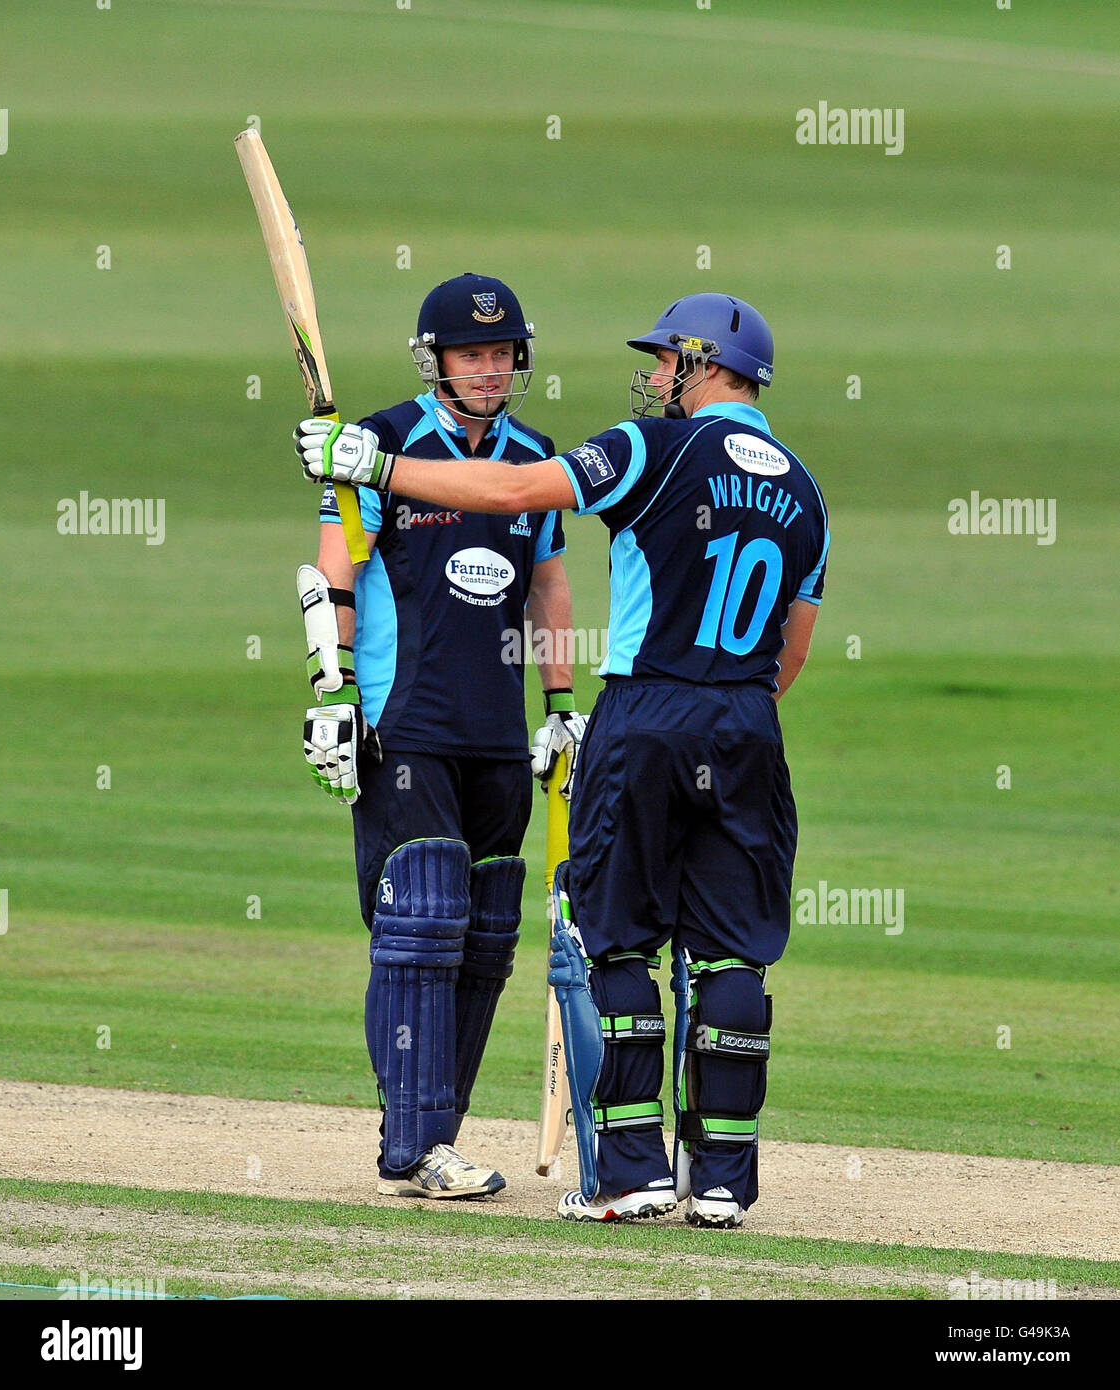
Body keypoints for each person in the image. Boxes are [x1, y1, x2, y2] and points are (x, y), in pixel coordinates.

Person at [294, 291, 827, 1228]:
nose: (656, 375)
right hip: (746, 722)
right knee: (731, 951)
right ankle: (721, 1183)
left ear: (704, 365)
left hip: (645, 709)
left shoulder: (644, 447)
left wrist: (374, 464)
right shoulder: (804, 488)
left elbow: (513, 496)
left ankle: (631, 1173)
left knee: (616, 936)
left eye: (667, 361)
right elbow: (794, 650)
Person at [295, 272, 585, 1200]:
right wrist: (330, 689)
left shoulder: (531, 459)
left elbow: (546, 586)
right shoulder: (377, 444)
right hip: (404, 720)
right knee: (419, 923)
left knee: (487, 936)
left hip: (498, 734)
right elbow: (336, 567)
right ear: (436, 361)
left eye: (504, 356)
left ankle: (432, 1142)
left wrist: (560, 705)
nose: (492, 371)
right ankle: (411, 1148)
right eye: (474, 355)